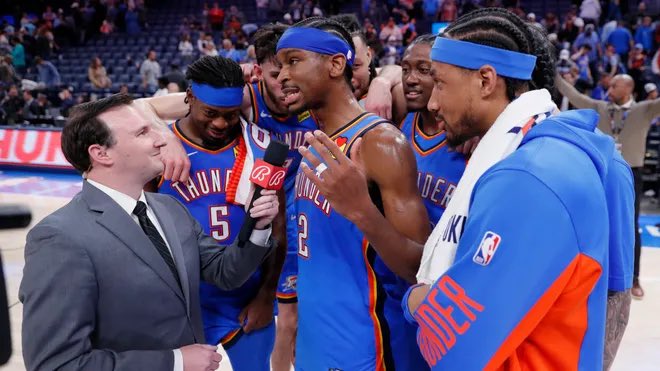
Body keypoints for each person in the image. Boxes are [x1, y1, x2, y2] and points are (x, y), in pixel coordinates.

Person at [298, 8, 632, 370]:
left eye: (439, 82)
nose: (433, 101)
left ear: (487, 81)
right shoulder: (538, 147)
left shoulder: (527, 174)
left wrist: (417, 301)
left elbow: (459, 339)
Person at [19, 93, 279, 371]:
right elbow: (56, 364)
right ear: (101, 153)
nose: (160, 139)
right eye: (143, 133)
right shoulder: (59, 238)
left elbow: (226, 273)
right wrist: (175, 361)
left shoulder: (170, 208)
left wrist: (258, 225)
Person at [278, 17, 430, 370]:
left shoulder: (379, 143)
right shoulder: (316, 138)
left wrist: (362, 209)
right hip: (316, 336)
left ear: (335, 64)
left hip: (365, 343)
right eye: (280, 63)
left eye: (294, 60)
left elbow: (419, 266)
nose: (282, 73)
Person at [155, 55, 284, 371]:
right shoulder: (158, 149)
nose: (220, 123)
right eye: (210, 113)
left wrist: (267, 296)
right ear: (188, 97)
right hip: (181, 303)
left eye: (230, 115)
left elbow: (278, 229)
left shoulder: (261, 146)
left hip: (246, 298)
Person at [556, 72, 660, 302]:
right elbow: (572, 94)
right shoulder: (600, 107)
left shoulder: (644, 109)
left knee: (631, 226)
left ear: (628, 89)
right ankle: (591, 276)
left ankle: (634, 279)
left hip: (632, 172)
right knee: (592, 222)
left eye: (615, 85)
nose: (609, 87)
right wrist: (553, 71)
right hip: (600, 169)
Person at [399, 33, 466, 226]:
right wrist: (382, 81)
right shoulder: (400, 115)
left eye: (423, 70)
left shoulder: (471, 135)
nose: (410, 79)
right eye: (405, 69)